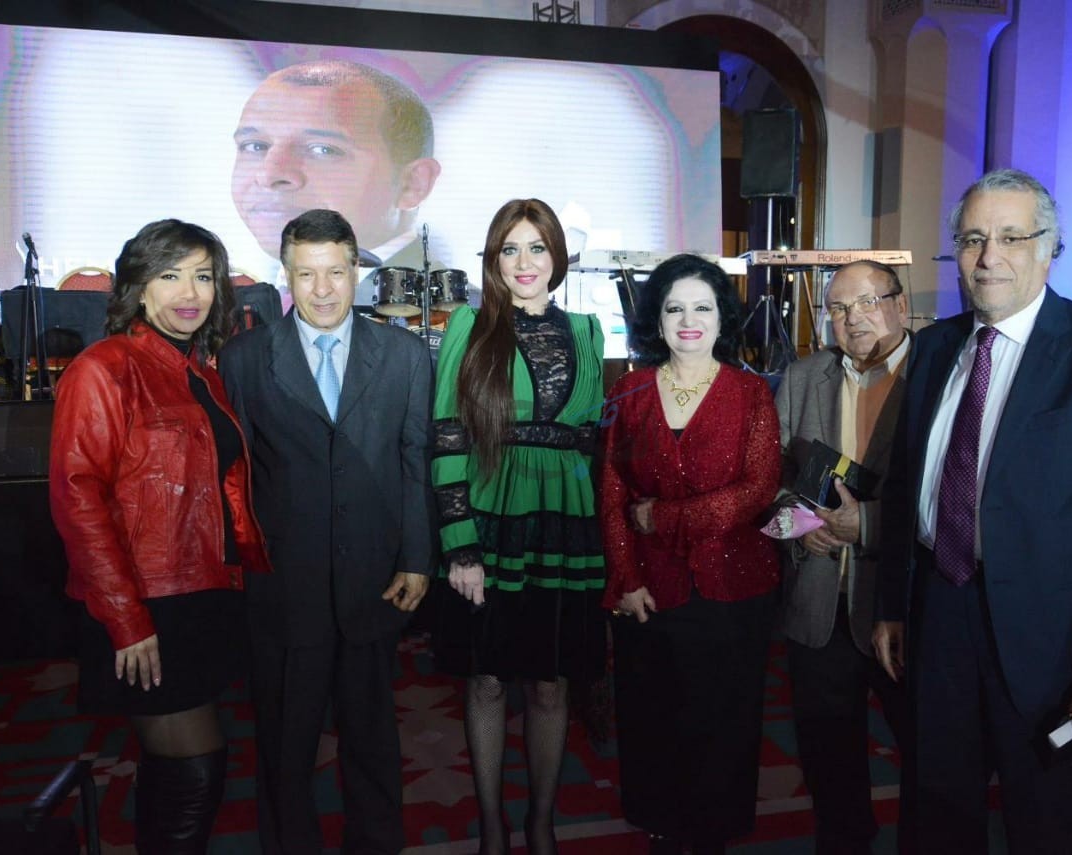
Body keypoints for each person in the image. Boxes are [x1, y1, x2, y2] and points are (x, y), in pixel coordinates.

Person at [873, 168, 1072, 854]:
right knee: (937, 815)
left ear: (1048, 248)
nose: (988, 257)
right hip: (939, 616)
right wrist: (893, 605)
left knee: (1049, 825)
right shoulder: (935, 346)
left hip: (1053, 642)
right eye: (972, 238)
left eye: (1011, 237)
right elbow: (906, 490)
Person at [49, 219, 271, 854]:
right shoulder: (103, 368)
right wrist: (126, 618)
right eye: (170, 275)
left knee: (175, 768)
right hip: (146, 601)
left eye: (203, 276)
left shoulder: (199, 371)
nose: (189, 292)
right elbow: (78, 500)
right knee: (194, 768)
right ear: (138, 287)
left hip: (200, 594)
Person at [217, 209, 433, 854]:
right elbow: (236, 474)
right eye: (306, 274)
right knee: (286, 745)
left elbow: (416, 458)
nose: (322, 289)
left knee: (373, 738)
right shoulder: (245, 358)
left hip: (375, 578)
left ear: (356, 270)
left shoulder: (403, 355)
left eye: (336, 272)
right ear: (285, 274)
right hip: (285, 585)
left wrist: (417, 557)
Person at [430, 198, 605, 855]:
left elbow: (590, 439)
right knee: (487, 679)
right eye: (510, 249)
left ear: (558, 255)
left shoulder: (589, 330)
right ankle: (492, 826)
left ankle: (541, 822)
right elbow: (448, 434)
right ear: (493, 259)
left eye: (537, 247)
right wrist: (459, 545)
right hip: (490, 519)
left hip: (564, 522)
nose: (524, 262)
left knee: (552, 683)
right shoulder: (469, 325)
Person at [600, 254, 781, 855]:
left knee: (722, 725)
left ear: (721, 317)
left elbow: (758, 489)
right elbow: (612, 492)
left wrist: (668, 517)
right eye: (675, 308)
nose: (688, 321)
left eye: (702, 308)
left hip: (733, 590)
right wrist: (625, 578)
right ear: (657, 318)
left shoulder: (751, 393)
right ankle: (662, 830)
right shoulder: (627, 391)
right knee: (653, 721)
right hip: (650, 589)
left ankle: (710, 838)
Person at [775, 260, 913, 855]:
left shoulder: (938, 375)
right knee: (829, 764)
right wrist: (799, 528)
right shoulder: (804, 376)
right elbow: (772, 480)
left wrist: (869, 524)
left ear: (900, 305)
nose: (853, 318)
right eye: (838, 308)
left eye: (867, 302)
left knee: (930, 755)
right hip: (819, 601)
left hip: (904, 605)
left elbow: (958, 493)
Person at [231, 60, 442, 305]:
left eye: (323, 149)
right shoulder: (236, 304)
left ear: (413, 184)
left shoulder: (453, 315)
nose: (269, 175)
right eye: (255, 146)